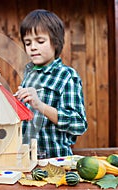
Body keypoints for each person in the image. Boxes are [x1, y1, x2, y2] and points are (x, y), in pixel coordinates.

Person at [15, 9, 88, 158]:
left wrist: (40, 106)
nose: (32, 47)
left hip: (55, 161)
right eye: (27, 43)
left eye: (40, 41)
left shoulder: (67, 76)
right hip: (27, 160)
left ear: (56, 42)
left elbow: (79, 124)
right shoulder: (29, 74)